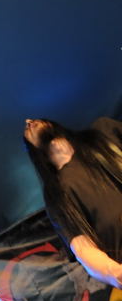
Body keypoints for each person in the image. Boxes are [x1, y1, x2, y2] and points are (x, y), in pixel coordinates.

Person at [23, 116, 122, 285]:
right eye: (26, 129)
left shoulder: (103, 132)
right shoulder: (56, 196)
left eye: (34, 119)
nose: (28, 121)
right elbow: (83, 249)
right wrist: (116, 273)